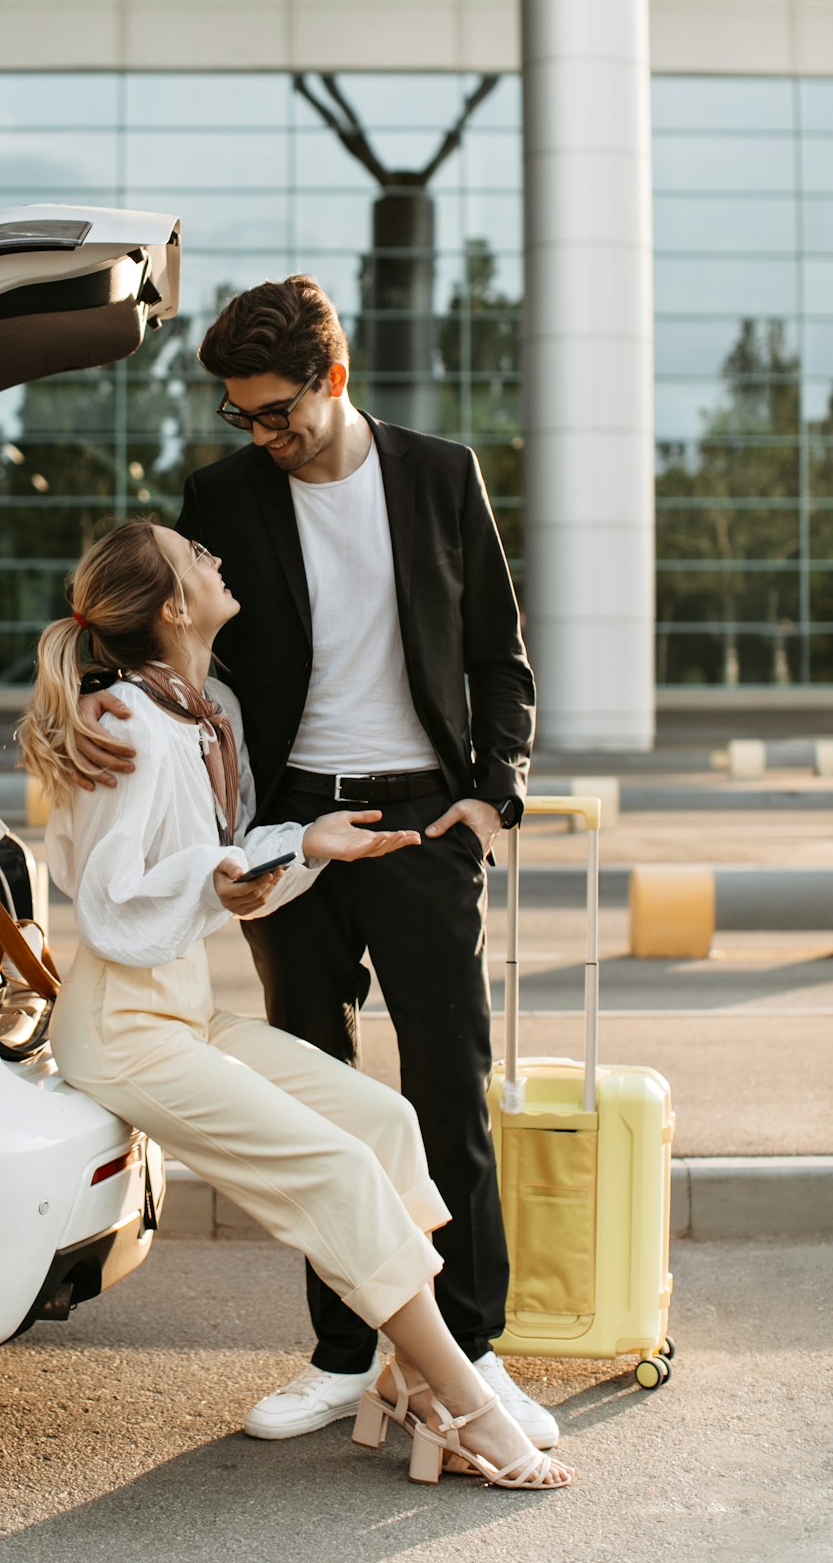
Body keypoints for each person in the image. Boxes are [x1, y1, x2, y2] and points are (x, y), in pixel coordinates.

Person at [77, 275, 554, 1451]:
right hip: (288, 829)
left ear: (332, 379)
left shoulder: (442, 474)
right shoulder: (222, 496)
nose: (262, 435)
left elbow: (498, 651)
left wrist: (494, 797)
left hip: (420, 822)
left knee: (447, 1081)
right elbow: (135, 618)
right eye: (243, 416)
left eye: (278, 411)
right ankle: (347, 1353)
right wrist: (94, 699)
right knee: (312, 1080)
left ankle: (468, 1347)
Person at [19, 516, 570, 1491]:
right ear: (175, 605)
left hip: (180, 1012)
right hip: (121, 1030)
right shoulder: (122, 720)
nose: (218, 556)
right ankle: (468, 1403)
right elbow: (109, 896)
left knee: (384, 1122)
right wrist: (239, 863)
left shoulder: (202, 708)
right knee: (336, 1167)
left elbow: (225, 871)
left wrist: (305, 844)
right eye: (196, 556)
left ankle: (410, 1377)